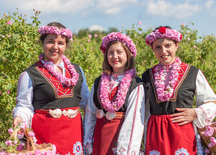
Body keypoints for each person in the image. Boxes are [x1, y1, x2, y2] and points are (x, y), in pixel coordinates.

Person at [13, 22, 89, 155]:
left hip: (74, 138)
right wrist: (20, 117)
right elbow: (24, 106)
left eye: (60, 43)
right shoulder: (31, 74)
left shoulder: (77, 71)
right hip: (45, 140)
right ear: (42, 43)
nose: (55, 47)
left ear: (66, 45)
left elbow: (86, 103)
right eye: (50, 42)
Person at [142, 26, 216, 155]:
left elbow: (212, 102)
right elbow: (142, 110)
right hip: (156, 136)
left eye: (168, 45)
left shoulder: (192, 73)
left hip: (183, 134)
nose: (163, 51)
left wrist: (195, 113)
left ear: (176, 45)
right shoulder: (147, 76)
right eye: (158, 47)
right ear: (153, 49)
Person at [83, 32, 145, 155]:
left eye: (119, 52)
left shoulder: (135, 84)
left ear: (128, 55)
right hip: (100, 138)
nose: (114, 56)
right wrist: (88, 141)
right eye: (110, 52)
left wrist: (124, 149)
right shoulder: (99, 81)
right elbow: (90, 112)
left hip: (121, 137)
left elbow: (134, 119)